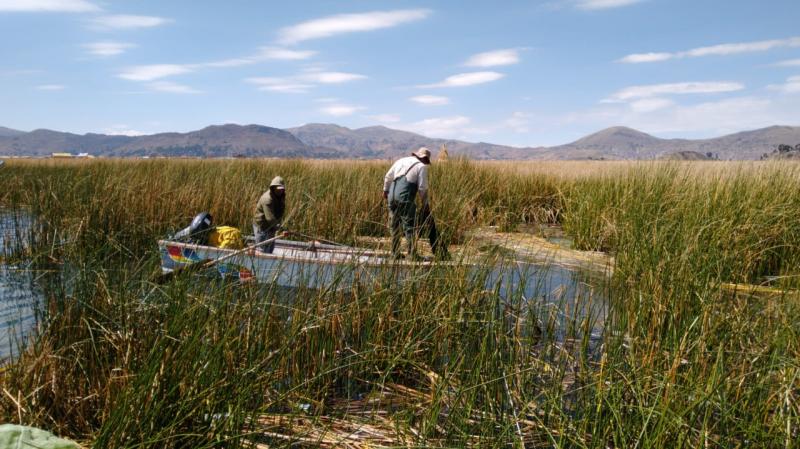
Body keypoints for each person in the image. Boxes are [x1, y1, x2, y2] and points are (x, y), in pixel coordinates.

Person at [383, 147, 446, 260]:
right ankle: (412, 255)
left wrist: (385, 191)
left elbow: (388, 177)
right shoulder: (421, 166)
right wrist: (425, 204)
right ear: (425, 159)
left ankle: (394, 253)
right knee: (409, 226)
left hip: (391, 195)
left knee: (394, 225)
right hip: (404, 197)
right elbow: (422, 188)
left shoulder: (400, 161)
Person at [253, 176, 286, 253]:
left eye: (281, 189)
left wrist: (277, 227)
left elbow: (280, 211)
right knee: (262, 250)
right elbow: (270, 218)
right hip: (262, 227)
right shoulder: (267, 199)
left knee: (270, 249)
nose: (280, 191)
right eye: (278, 188)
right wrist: (280, 228)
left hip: (272, 227)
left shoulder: (281, 196)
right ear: (273, 188)